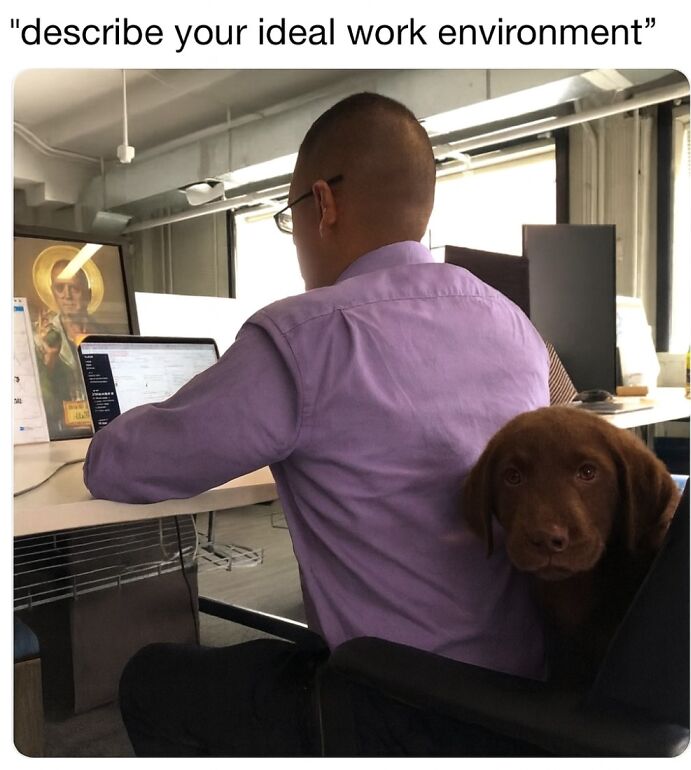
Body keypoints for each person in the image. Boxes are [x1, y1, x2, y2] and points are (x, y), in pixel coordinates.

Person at [83, 92, 550, 756]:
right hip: (526, 702)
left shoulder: (308, 334)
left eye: (290, 215)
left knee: (149, 680)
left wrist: (98, 436)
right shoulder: (514, 324)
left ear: (323, 206)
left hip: (399, 710)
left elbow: (121, 469)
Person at [34, 260, 101, 435]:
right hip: (62, 433)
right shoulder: (40, 339)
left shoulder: (106, 334)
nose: (67, 296)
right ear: (53, 293)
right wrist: (50, 358)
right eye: (60, 288)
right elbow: (38, 400)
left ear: (88, 293)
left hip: (102, 429)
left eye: (74, 288)